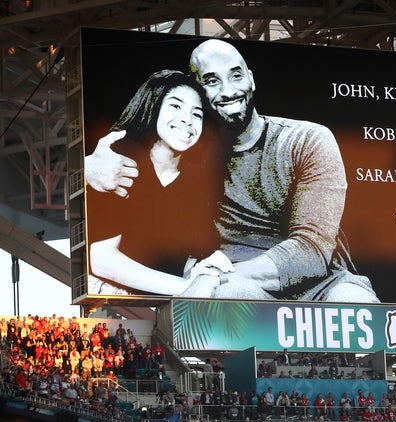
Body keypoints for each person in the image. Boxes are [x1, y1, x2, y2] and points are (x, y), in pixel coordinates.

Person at [86, 39, 378, 303]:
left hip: (320, 282)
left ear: (251, 79)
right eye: (212, 81)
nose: (228, 90)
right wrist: (88, 167)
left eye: (236, 75)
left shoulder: (305, 139)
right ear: (200, 91)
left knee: (357, 304)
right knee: (234, 300)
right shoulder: (191, 157)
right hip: (236, 288)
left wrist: (209, 279)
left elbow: (311, 249)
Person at [87, 69, 232, 295]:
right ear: (154, 107)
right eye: (175, 106)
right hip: (112, 297)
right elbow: (102, 260)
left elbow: (181, 257)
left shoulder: (197, 182)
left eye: (197, 114)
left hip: (162, 305)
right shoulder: (121, 159)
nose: (187, 119)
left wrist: (202, 271)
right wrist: (187, 288)